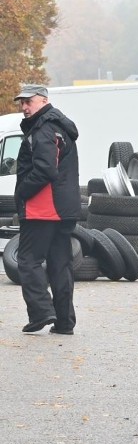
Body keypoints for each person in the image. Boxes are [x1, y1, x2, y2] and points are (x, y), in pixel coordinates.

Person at [13, 84, 81, 335]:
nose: (24, 107)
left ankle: (42, 312)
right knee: (59, 265)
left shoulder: (43, 129)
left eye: (28, 102)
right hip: (64, 210)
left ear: (43, 100)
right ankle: (64, 323)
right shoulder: (61, 127)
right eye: (21, 103)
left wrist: (22, 192)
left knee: (28, 261)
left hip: (43, 208)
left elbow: (45, 170)